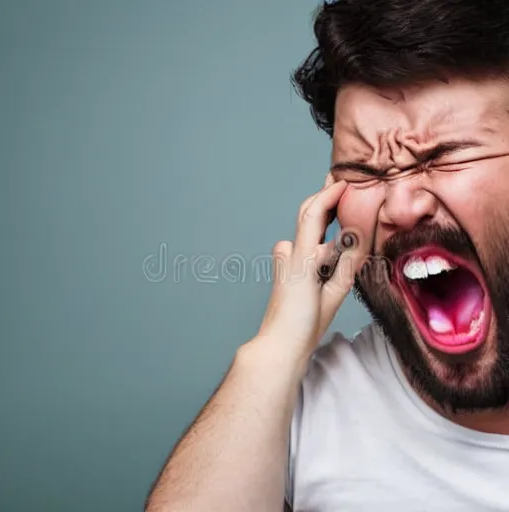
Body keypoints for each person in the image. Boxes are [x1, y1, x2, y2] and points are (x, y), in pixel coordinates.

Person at [145, 0, 509, 510]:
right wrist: (272, 351)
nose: (400, 207)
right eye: (364, 170)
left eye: (442, 156)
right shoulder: (295, 408)